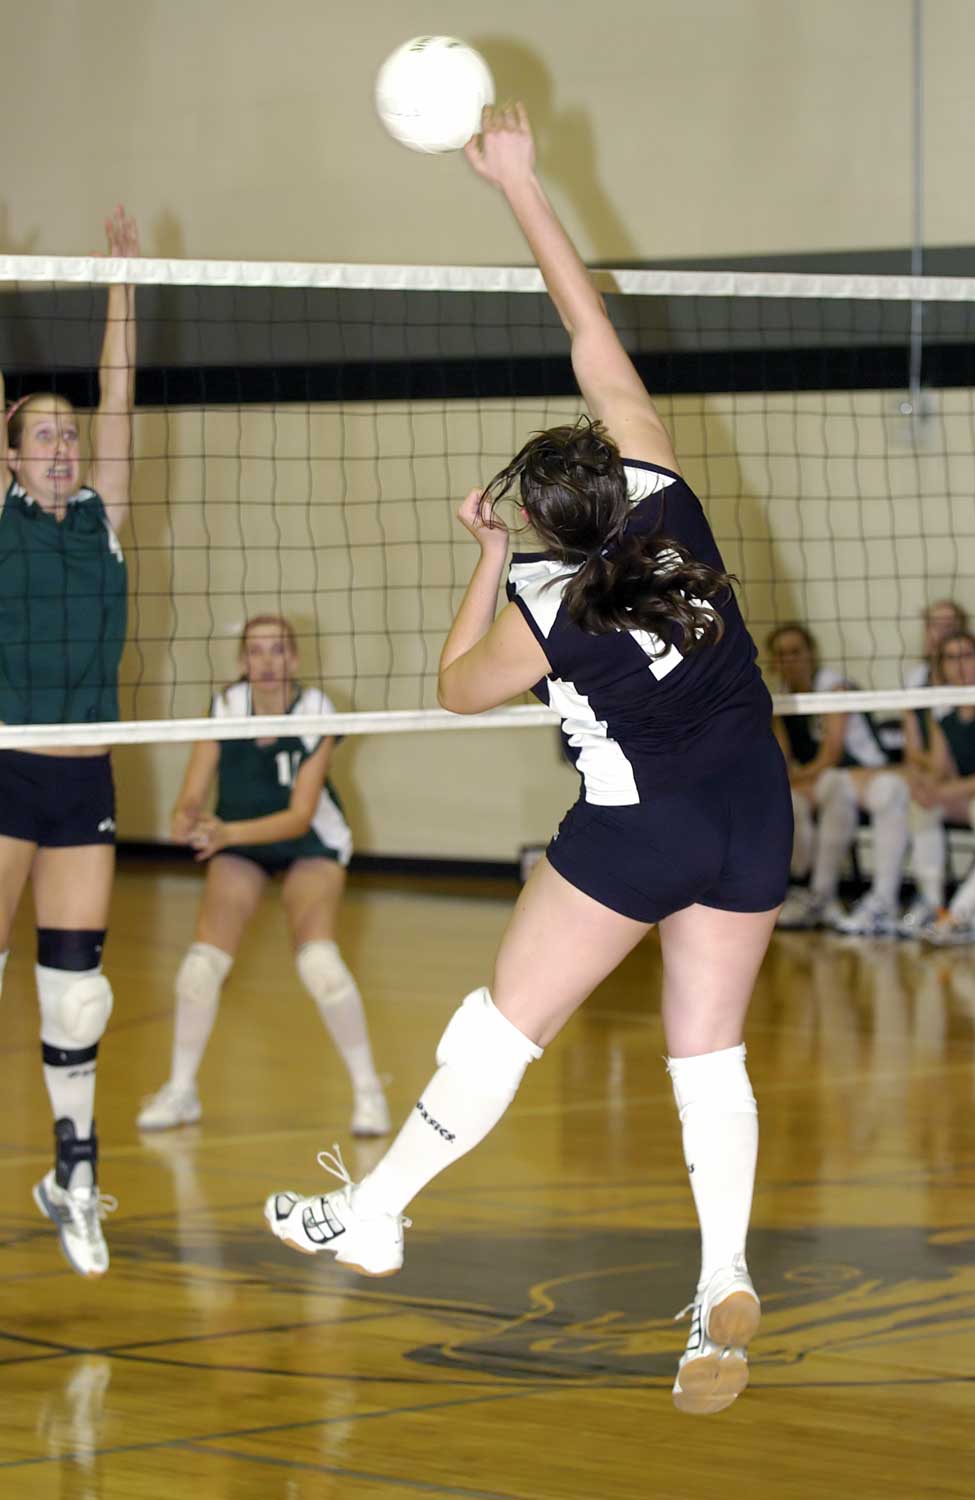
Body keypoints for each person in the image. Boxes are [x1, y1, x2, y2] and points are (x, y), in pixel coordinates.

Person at [263, 104, 793, 1418]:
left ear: (548, 528)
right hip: (754, 812)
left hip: (642, 830)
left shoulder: (547, 608)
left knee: (498, 1031)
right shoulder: (666, 492)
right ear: (616, 474)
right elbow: (588, 327)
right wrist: (519, 183)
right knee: (708, 1059)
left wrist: (488, 560)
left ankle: (376, 1214)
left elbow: (451, 691)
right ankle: (719, 1283)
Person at [0, 206, 138, 1277]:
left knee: (78, 993)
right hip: (3, 769)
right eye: (40, 435)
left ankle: (74, 1176)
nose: (61, 446)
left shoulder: (103, 521)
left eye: (67, 435)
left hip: (83, 776)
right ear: (10, 456)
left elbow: (119, 398)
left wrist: (121, 285)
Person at [136, 614, 390, 1137]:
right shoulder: (225, 708)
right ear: (242, 661)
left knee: (320, 964)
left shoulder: (317, 710)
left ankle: (369, 1092)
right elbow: (191, 793)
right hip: (240, 844)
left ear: (294, 659)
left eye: (278, 651)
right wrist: (185, 818)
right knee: (201, 968)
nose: (268, 662)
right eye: (256, 651)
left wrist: (224, 833)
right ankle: (181, 1091)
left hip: (309, 842)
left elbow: (299, 816)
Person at [768, 624, 910, 935]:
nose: (790, 659)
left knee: (830, 785)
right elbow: (782, 760)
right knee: (787, 800)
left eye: (796, 651)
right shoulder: (780, 699)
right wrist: (783, 781)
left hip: (869, 773)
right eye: (781, 654)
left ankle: (844, 896)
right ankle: (809, 890)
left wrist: (790, 779)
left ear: (811, 653)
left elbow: (830, 755)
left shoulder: (834, 688)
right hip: (829, 780)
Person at [909, 630, 975, 943]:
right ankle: (933, 904)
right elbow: (940, 768)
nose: (959, 665)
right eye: (950, 658)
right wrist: (926, 785)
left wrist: (945, 791)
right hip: (970, 794)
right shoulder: (941, 707)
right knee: (922, 806)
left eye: (967, 656)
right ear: (941, 666)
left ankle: (970, 911)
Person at [898, 599, 969, 934]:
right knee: (914, 802)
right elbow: (915, 750)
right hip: (939, 781)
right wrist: (927, 779)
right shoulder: (918, 679)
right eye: (934, 625)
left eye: (949, 625)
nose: (941, 633)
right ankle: (932, 904)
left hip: (972, 784)